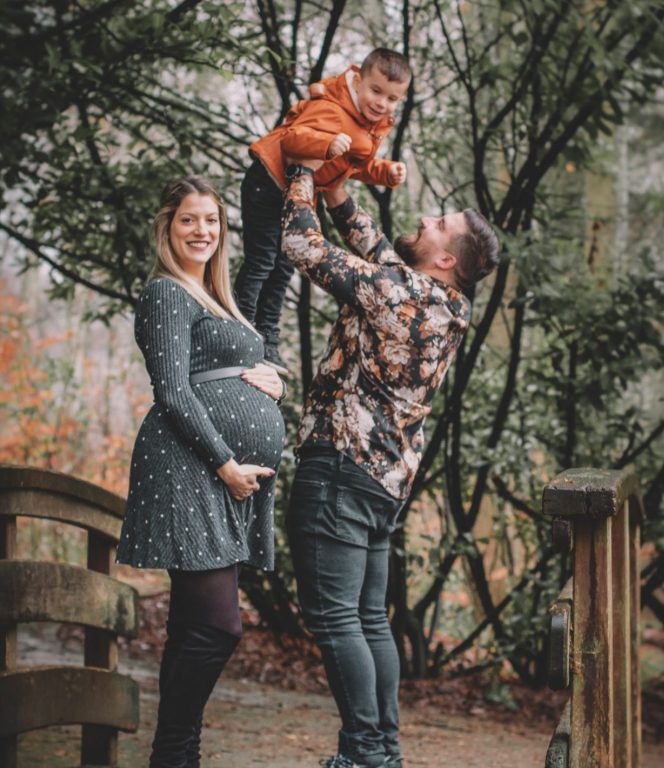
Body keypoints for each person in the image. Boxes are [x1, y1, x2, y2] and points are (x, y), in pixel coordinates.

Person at [280, 161, 500, 768]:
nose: (426, 218)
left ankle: (361, 756)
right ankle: (383, 753)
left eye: (439, 223)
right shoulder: (442, 301)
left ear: (447, 258)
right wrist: (336, 191)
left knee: (333, 617)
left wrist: (300, 168)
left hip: (341, 467)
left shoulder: (400, 292)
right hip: (383, 481)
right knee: (369, 619)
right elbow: (375, 246)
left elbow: (301, 244)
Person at [115, 176, 287, 767]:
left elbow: (256, 356)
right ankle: (172, 752)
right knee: (218, 628)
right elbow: (172, 391)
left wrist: (277, 379)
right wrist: (225, 463)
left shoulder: (216, 297)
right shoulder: (166, 293)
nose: (202, 231)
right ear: (168, 226)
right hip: (189, 466)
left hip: (221, 472)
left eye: (211, 221)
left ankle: (178, 755)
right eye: (189, 219)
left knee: (193, 625)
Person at [233, 47, 411, 374]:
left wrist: (385, 173)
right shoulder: (333, 110)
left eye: (392, 98)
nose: (381, 103)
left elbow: (356, 164)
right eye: (376, 91)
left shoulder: (368, 125)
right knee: (262, 260)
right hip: (270, 181)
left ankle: (266, 339)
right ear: (357, 82)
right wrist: (325, 145)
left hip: (295, 194)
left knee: (284, 267)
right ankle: (239, 329)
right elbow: (293, 140)